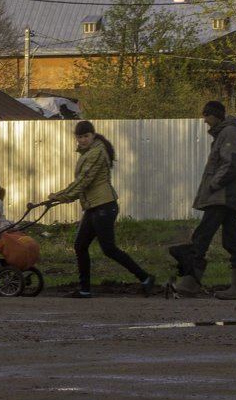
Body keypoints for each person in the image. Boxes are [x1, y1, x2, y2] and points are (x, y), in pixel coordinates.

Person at [46, 120, 155, 298]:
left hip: (104, 206)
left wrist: (60, 196)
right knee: (80, 246)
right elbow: (82, 183)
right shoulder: (88, 153)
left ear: (93, 135)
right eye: (79, 137)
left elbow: (84, 181)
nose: (82, 140)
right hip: (94, 207)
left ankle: (145, 278)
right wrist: (60, 196)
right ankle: (84, 289)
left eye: (86, 136)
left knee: (109, 249)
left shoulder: (96, 153)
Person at [170, 100, 236, 299]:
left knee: (202, 236)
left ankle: (190, 283)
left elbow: (232, 163)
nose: (204, 120)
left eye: (207, 115)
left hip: (223, 196)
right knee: (231, 241)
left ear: (216, 115)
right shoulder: (223, 134)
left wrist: (214, 184)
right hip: (225, 196)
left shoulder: (228, 134)